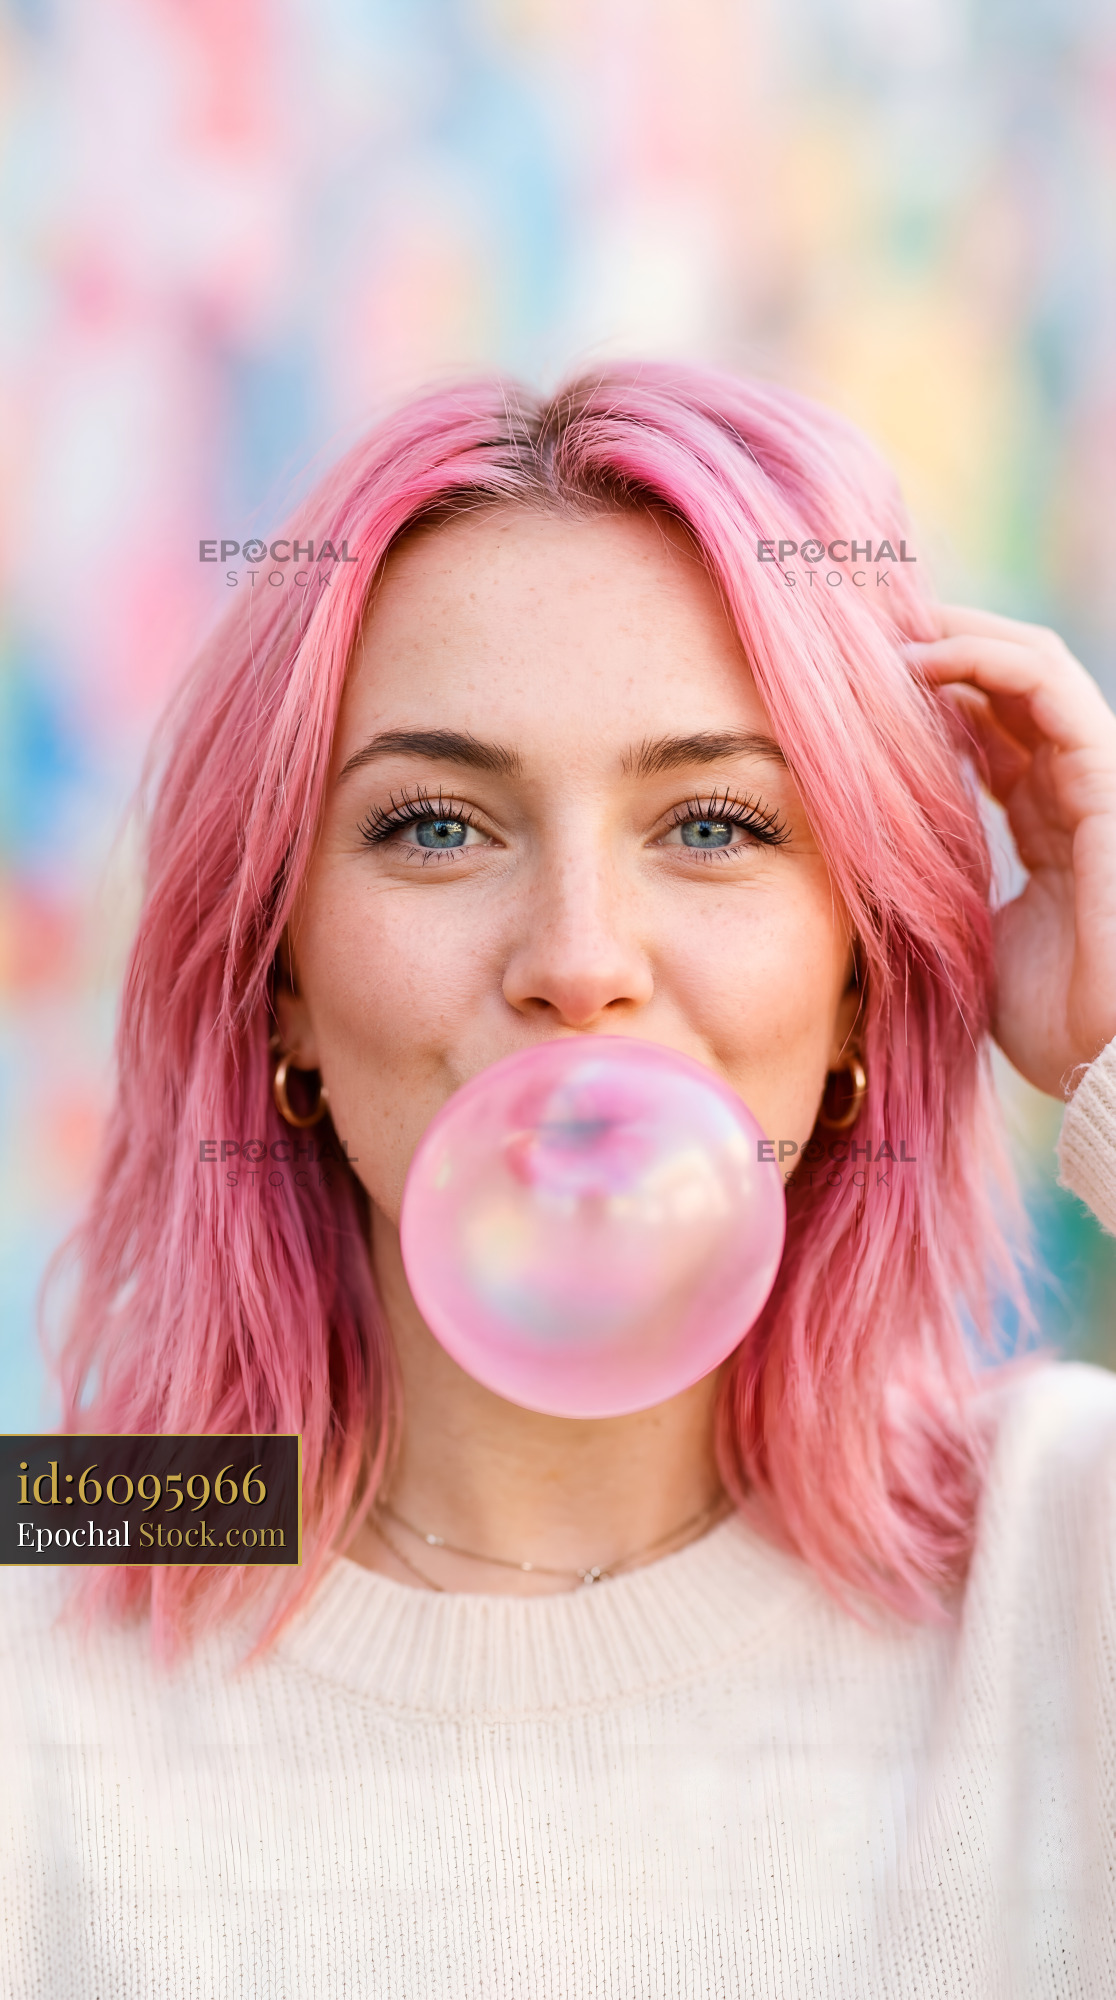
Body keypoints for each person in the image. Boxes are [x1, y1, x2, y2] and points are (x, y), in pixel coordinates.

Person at [4, 364, 1116, 1999]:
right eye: (440, 826)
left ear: (864, 984)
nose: (579, 962)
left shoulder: (1054, 1546)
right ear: (280, 985)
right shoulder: (66, 1571)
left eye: (720, 825)